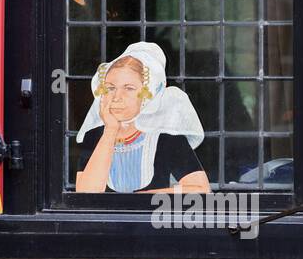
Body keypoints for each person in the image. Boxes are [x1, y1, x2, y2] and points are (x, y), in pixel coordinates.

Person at [74, 42, 209, 194]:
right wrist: (111, 130)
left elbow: (200, 189)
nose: (117, 97)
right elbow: (85, 193)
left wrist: (141, 199)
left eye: (129, 88)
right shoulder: (94, 135)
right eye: (110, 88)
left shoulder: (165, 137)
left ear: (149, 94)